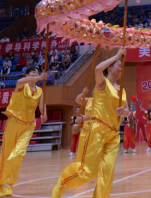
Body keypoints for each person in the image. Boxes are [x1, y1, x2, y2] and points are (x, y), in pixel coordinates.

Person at [52, 49, 130, 198]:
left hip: (113, 134)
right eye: (118, 65)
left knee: (107, 173)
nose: (121, 69)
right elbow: (97, 69)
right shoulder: (102, 83)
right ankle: (63, 182)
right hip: (98, 130)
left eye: (122, 65)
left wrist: (124, 112)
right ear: (110, 68)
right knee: (88, 171)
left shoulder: (122, 91)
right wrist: (116, 55)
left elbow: (126, 110)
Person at [0, 66, 47, 197]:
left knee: (18, 154)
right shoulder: (21, 85)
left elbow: (42, 105)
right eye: (33, 72)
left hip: (28, 126)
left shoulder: (40, 91)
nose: (36, 74)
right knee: (6, 155)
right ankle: (0, 183)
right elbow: (19, 82)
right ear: (27, 74)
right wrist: (39, 77)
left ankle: (10, 184)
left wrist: (44, 114)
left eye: (37, 73)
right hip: (14, 122)